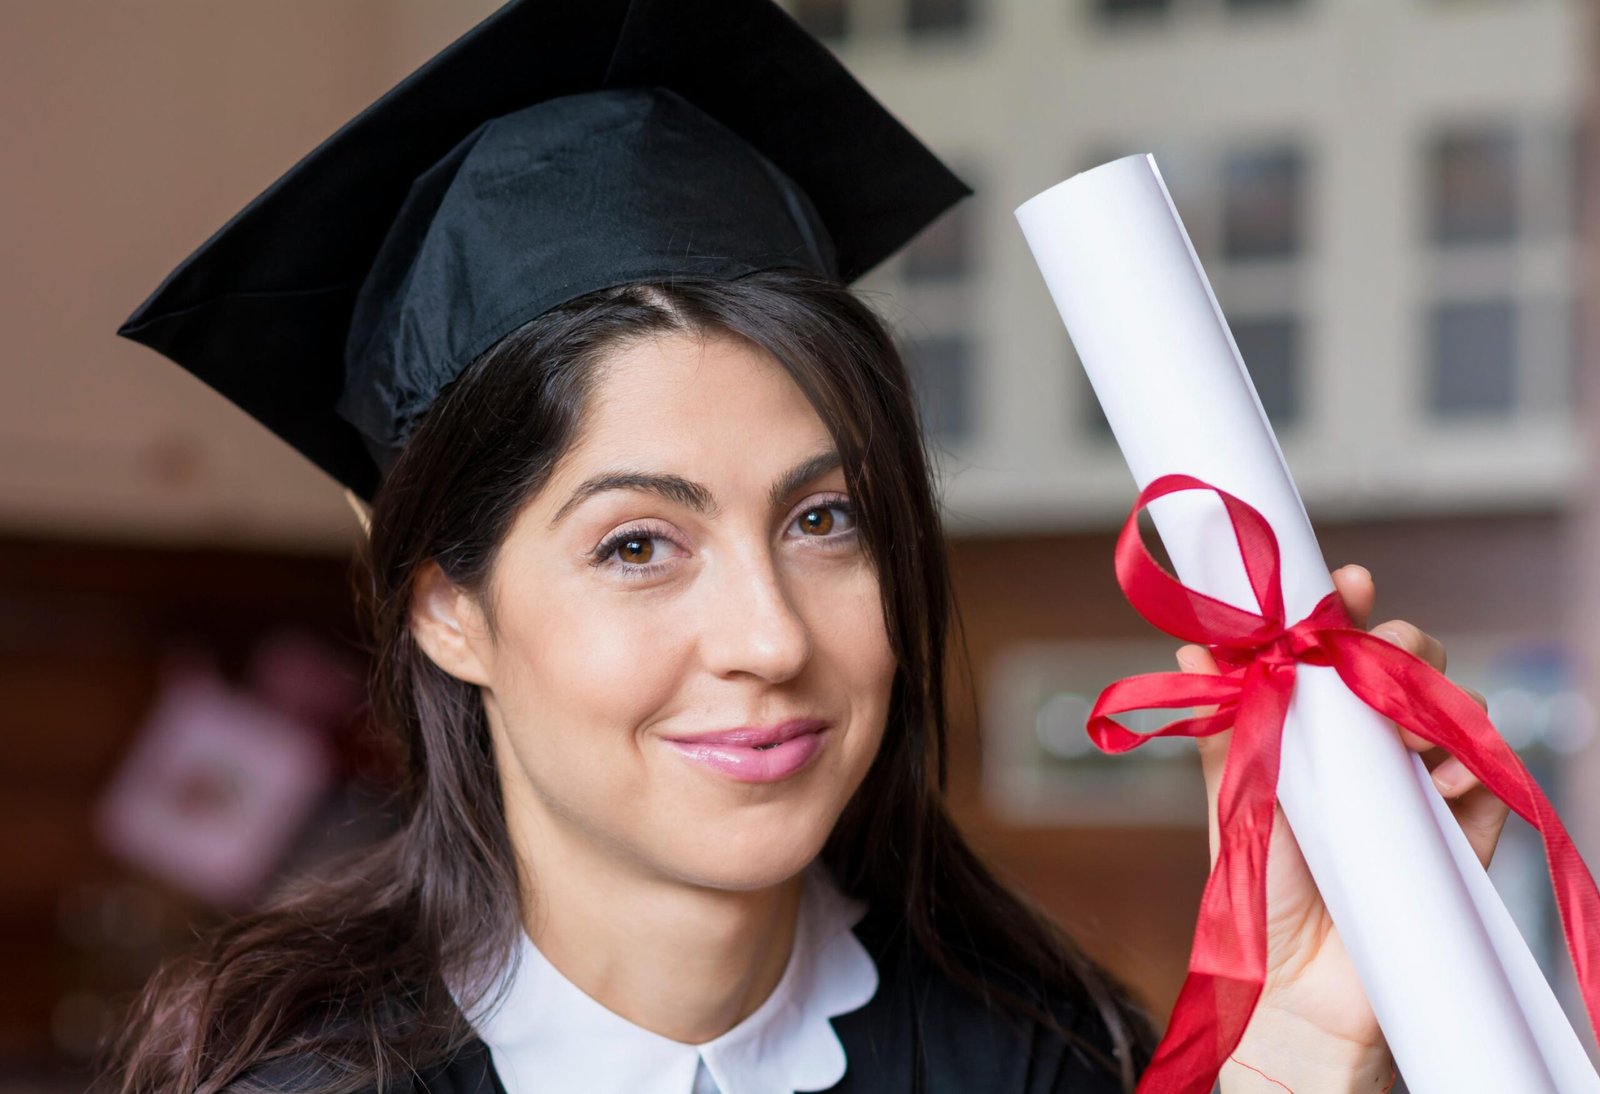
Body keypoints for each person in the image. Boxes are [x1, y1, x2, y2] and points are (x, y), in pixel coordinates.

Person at [102, 1, 1511, 1091]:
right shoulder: (298, 1077)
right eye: (640, 543)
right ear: (446, 609)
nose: (772, 636)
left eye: (823, 519)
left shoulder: (1037, 1052)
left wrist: (1303, 1035)